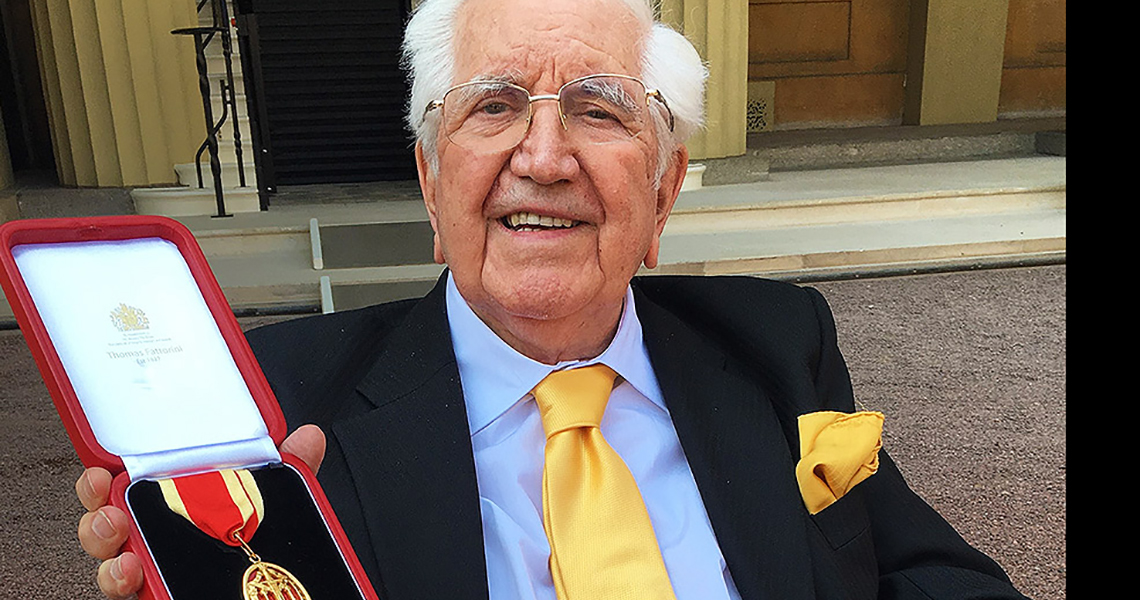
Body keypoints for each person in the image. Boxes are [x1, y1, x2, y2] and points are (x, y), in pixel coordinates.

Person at [75, 0, 1030, 598]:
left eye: (599, 109)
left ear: (662, 191)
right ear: (429, 183)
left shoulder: (779, 342)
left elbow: (932, 575)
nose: (542, 157)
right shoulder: (280, 411)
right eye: (492, 106)